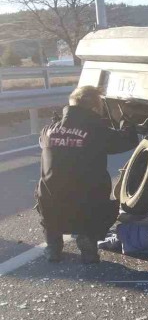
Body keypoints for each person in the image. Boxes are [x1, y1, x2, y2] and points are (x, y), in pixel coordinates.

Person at [36, 86, 138, 263]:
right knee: (97, 197)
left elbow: (54, 144)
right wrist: (127, 119)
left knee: (48, 191)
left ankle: (53, 246)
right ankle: (88, 241)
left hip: (51, 202)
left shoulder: (48, 130)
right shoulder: (97, 132)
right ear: (93, 108)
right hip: (87, 203)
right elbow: (128, 141)